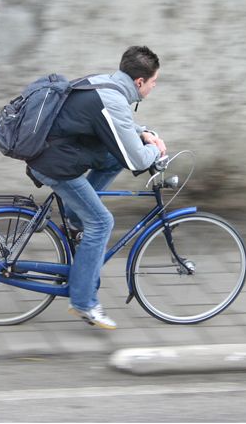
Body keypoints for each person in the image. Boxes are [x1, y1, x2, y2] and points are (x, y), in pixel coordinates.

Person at [27, 45, 166, 329]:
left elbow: (119, 126)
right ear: (139, 82)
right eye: (154, 82)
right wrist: (158, 152)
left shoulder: (106, 83)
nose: (153, 88)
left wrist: (143, 133)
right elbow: (137, 161)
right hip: (56, 164)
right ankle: (84, 303)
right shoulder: (114, 99)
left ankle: (77, 219)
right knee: (102, 222)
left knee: (112, 160)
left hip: (56, 153)